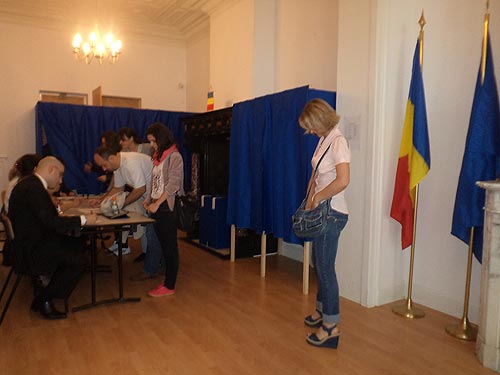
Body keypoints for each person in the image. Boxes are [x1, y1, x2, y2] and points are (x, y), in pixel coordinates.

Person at [8, 156, 96, 320]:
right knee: (80, 261)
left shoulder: (30, 184)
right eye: (60, 175)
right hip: (32, 249)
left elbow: (47, 220)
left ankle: (43, 293)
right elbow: (51, 222)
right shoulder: (34, 188)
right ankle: (43, 298)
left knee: (77, 243)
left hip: (30, 242)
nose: (61, 180)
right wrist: (84, 220)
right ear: (51, 169)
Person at [298, 99, 350, 349]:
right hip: (321, 211)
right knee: (318, 264)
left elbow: (342, 180)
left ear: (320, 120)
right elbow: (317, 173)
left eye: (310, 126)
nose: (309, 132)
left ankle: (331, 327)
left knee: (326, 269)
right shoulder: (325, 139)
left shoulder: (338, 142)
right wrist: (310, 197)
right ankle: (321, 310)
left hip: (333, 214)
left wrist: (318, 197)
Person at [93, 147, 158, 262]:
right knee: (146, 229)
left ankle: (154, 263)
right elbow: (118, 188)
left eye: (104, 165)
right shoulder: (118, 166)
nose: (103, 169)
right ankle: (147, 255)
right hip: (147, 197)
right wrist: (101, 200)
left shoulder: (130, 163)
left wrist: (122, 204)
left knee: (152, 232)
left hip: (156, 198)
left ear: (112, 158)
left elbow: (140, 189)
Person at [143, 122, 184, 297]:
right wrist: (147, 200)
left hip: (166, 207)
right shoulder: (158, 156)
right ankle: (167, 280)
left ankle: (169, 285)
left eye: (153, 141)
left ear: (161, 139)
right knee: (162, 244)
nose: (151, 145)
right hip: (157, 205)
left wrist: (157, 203)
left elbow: (173, 186)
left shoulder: (175, 157)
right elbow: (154, 182)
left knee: (170, 247)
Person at [118, 126, 152, 263]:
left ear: (131, 138)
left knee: (148, 223)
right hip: (138, 190)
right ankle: (145, 252)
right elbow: (118, 179)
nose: (121, 143)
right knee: (141, 221)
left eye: (123, 140)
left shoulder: (146, 148)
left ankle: (152, 254)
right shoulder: (123, 153)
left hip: (148, 189)